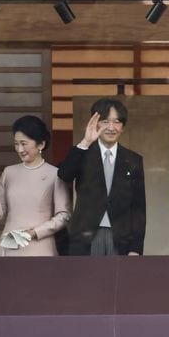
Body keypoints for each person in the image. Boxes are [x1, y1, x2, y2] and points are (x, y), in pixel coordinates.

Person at [58, 98, 146, 255]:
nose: (111, 127)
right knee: (89, 272)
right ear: (96, 124)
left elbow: (139, 207)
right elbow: (64, 175)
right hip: (87, 235)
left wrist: (136, 248)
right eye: (105, 122)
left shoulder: (133, 160)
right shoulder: (83, 153)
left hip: (120, 237)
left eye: (117, 122)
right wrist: (85, 142)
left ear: (123, 127)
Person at [0, 115, 71, 256]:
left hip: (41, 248)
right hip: (10, 248)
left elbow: (64, 215)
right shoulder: (9, 172)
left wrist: (34, 232)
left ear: (41, 144)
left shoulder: (55, 174)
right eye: (16, 144)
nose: (19, 149)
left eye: (24, 143)